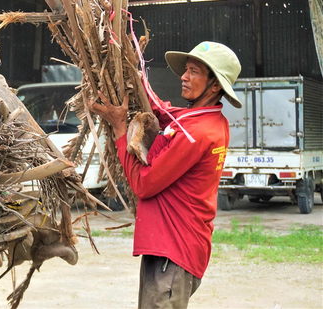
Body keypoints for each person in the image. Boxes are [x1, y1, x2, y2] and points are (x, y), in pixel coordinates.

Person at [87, 41, 242, 309]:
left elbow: (144, 184)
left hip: (174, 252)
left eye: (194, 71)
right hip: (170, 249)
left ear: (215, 85)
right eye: (186, 70)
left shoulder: (198, 134)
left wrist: (121, 130)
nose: (183, 76)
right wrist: (134, 78)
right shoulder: (204, 120)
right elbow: (167, 113)